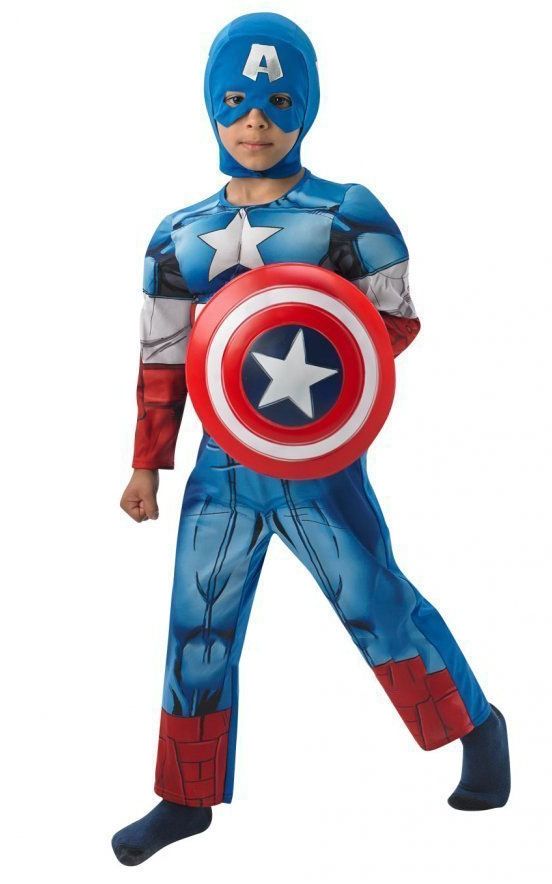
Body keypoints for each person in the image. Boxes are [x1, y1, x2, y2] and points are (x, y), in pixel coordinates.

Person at [112, 11, 510, 867]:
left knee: (375, 604)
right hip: (222, 464)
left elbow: (391, 326)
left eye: (279, 102)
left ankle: (475, 727)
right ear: (212, 108)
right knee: (197, 624)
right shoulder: (178, 234)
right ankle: (185, 795)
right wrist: (147, 464)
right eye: (236, 102)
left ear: (308, 107)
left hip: (314, 461)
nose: (255, 122)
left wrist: (315, 363)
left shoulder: (345, 213)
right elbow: (162, 356)